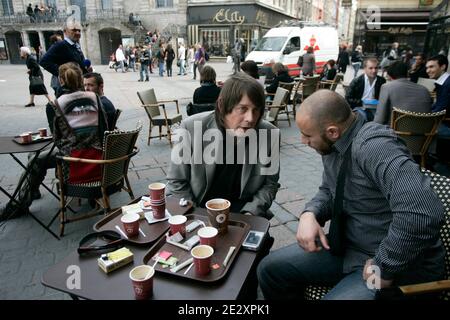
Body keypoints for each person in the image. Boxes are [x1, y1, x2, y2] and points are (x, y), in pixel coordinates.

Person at [257, 89, 446, 300]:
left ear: (332, 131)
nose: (302, 141)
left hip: (395, 263)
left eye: (308, 135)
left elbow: (423, 212)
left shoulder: (375, 147)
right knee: (269, 269)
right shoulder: (332, 146)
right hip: (348, 249)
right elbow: (329, 190)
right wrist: (309, 213)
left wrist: (384, 265)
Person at [0, 63, 110, 221]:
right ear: (80, 78)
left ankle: (20, 204)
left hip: (73, 162)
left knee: (36, 160)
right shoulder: (95, 98)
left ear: (61, 80)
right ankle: (32, 190)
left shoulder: (57, 103)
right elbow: (104, 129)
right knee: (36, 157)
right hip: (99, 156)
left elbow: (57, 138)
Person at [40, 20, 91, 94]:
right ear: (65, 31)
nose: (77, 33)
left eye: (79, 30)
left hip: (78, 86)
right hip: (67, 89)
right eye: (74, 30)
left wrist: (86, 70)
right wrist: (64, 74)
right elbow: (44, 62)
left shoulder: (75, 45)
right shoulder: (60, 45)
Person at [374, 61, 432, 125]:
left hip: (395, 132)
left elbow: (379, 119)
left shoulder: (386, 87)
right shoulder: (424, 89)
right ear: (407, 73)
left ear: (390, 76)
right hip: (425, 132)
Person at [426, 55, 450, 138]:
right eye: (427, 68)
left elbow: (440, 110)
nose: (428, 71)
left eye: (431, 67)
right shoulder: (444, 82)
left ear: (443, 67)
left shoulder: (447, 84)